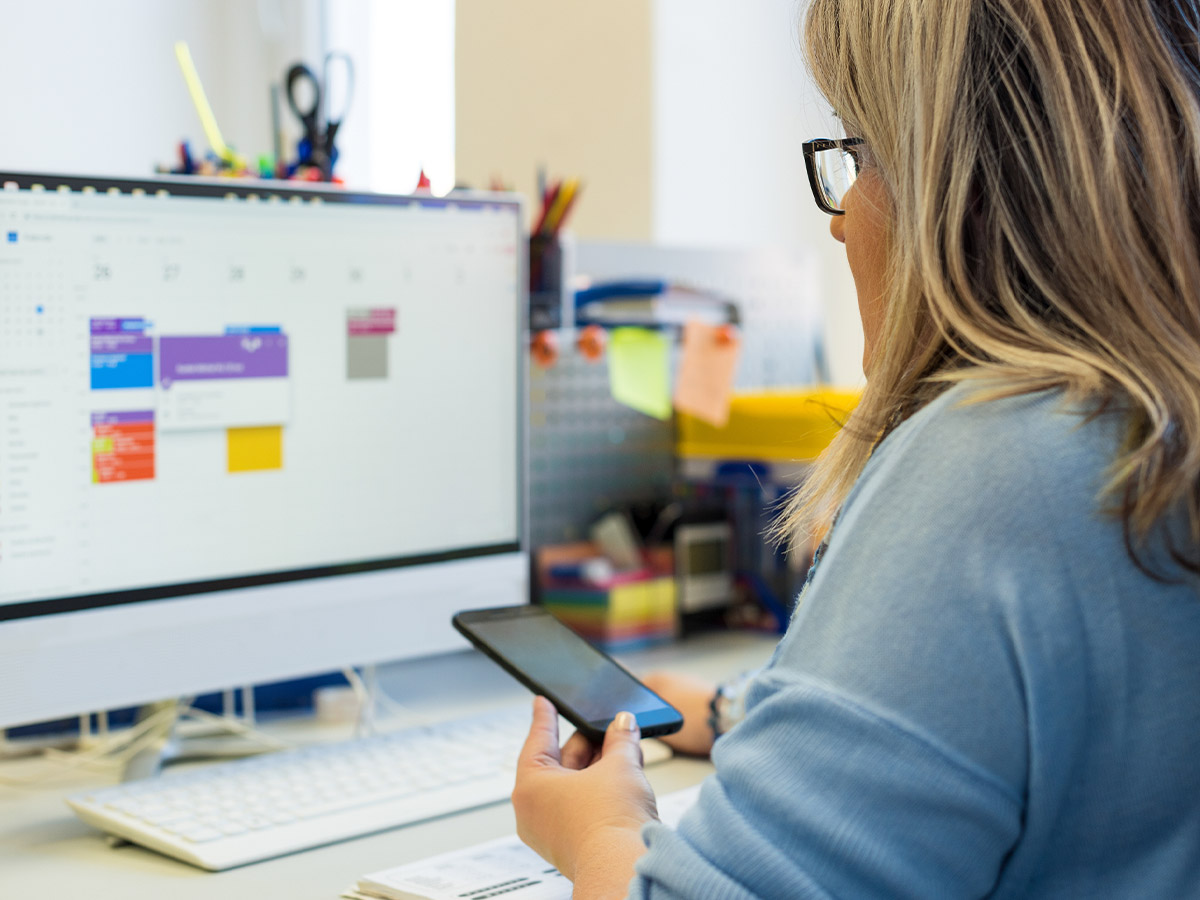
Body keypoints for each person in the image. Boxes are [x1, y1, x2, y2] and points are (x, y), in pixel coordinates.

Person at [513, 0, 1200, 896]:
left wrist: (601, 830)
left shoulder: (998, 462)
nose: (841, 219)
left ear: (958, 180)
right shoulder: (1150, 428)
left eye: (856, 152)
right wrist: (733, 714)